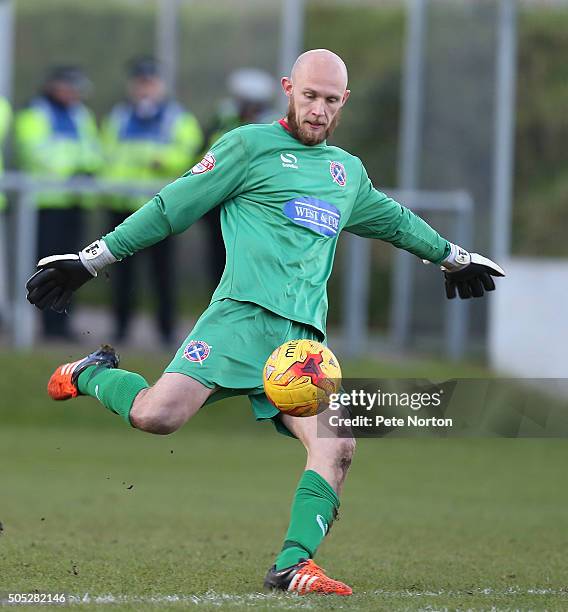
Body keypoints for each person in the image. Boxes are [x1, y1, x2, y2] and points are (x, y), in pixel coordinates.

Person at [25, 49, 504, 595]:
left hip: (300, 347)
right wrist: (91, 260)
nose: (318, 110)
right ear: (288, 89)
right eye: (309, 96)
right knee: (156, 417)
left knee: (338, 444)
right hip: (238, 321)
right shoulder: (246, 147)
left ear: (343, 102)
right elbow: (170, 207)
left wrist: (453, 257)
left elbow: (392, 220)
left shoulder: (347, 173)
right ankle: (92, 372)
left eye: (330, 100)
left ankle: (292, 565)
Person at [101, 57, 204, 346]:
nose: (145, 89)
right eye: (140, 83)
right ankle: (121, 328)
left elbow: (190, 153)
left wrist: (162, 161)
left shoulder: (177, 118)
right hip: (122, 206)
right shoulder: (120, 116)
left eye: (150, 82)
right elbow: (107, 153)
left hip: (161, 209)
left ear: (160, 85)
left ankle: (166, 330)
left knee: (163, 273)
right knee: (121, 274)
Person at [15, 66, 101, 340]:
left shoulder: (80, 115)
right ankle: (45, 325)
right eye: (70, 87)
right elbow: (35, 153)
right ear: (55, 86)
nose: (74, 94)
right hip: (46, 203)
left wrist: (86, 167)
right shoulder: (34, 115)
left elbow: (94, 150)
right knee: (47, 266)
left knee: (74, 266)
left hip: (74, 202)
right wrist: (73, 170)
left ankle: (62, 323)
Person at [203, 68, 278, 288]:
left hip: (254, 208)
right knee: (218, 264)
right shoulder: (222, 121)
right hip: (219, 204)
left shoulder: (271, 127)